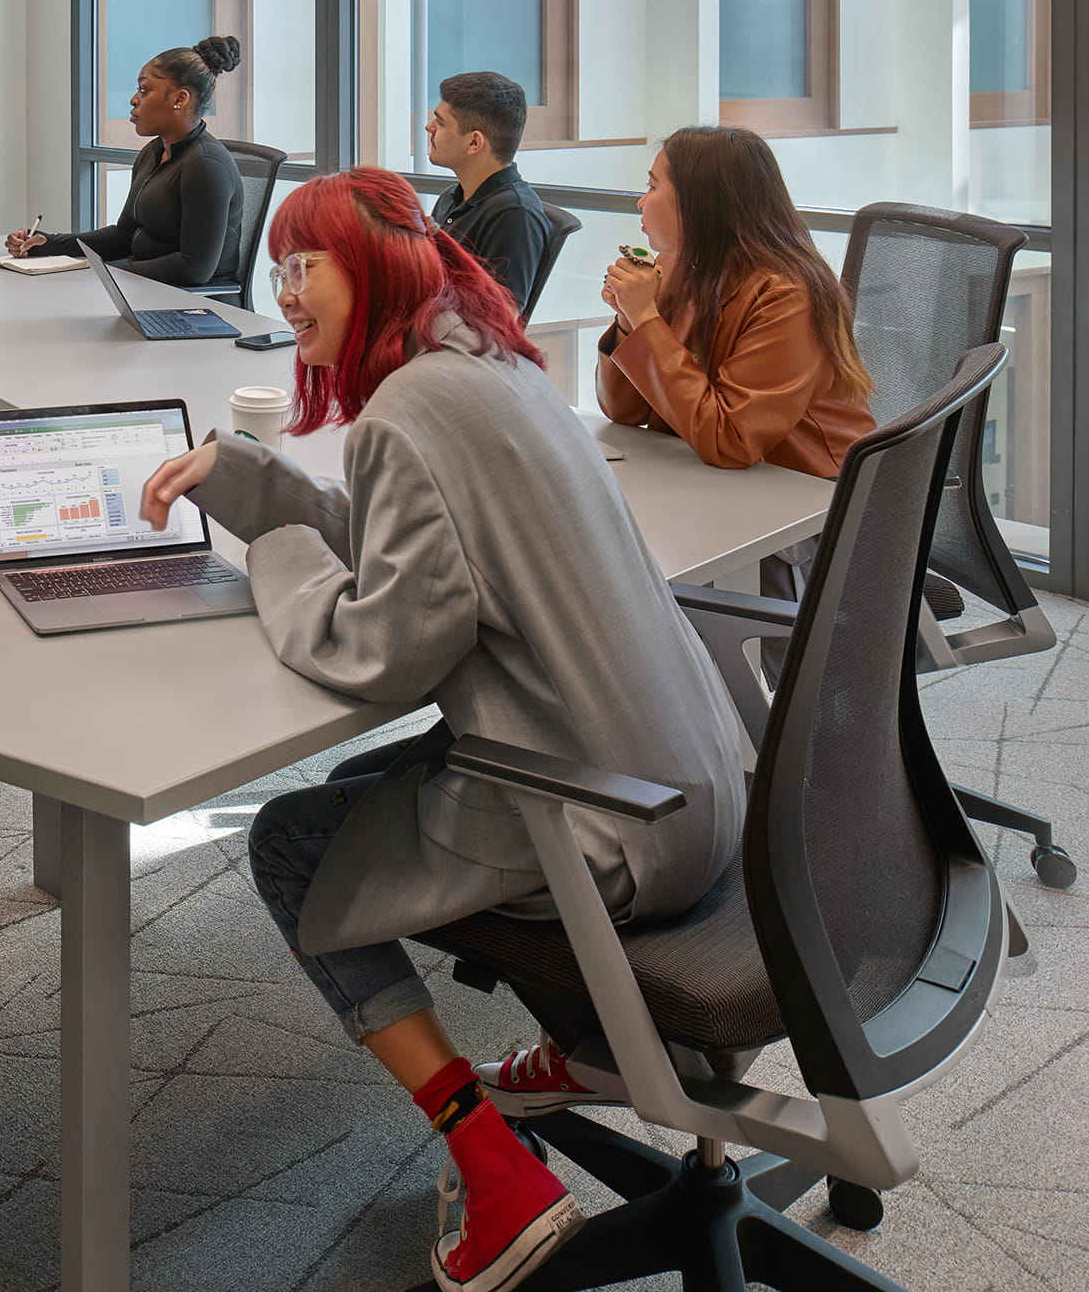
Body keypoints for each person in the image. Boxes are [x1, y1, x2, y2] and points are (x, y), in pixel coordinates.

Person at [136, 167, 748, 1292]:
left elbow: (383, 647)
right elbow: (405, 535)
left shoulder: (409, 409)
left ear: (366, 265)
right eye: (275, 268)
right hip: (695, 785)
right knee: (377, 779)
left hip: (605, 820)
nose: (283, 292)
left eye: (301, 264)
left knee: (291, 840)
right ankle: (594, 1046)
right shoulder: (490, 365)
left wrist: (273, 553)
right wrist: (250, 483)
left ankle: (489, 1157)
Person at [596, 125, 873, 479]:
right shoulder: (677, 263)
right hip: (716, 480)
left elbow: (732, 441)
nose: (641, 201)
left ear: (699, 203)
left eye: (652, 187)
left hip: (810, 497)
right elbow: (622, 410)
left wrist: (645, 316)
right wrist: (627, 319)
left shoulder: (786, 295)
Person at [4, 37, 245, 287]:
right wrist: (50, 244)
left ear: (180, 99)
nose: (133, 100)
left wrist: (109, 275)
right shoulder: (153, 153)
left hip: (197, 309)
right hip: (145, 292)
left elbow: (194, 269)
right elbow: (124, 236)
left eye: (144, 90)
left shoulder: (207, 165)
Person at [423, 71, 560, 318]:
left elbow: (501, 320)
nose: (429, 127)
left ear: (474, 143)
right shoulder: (450, 198)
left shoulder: (515, 215)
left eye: (440, 122)